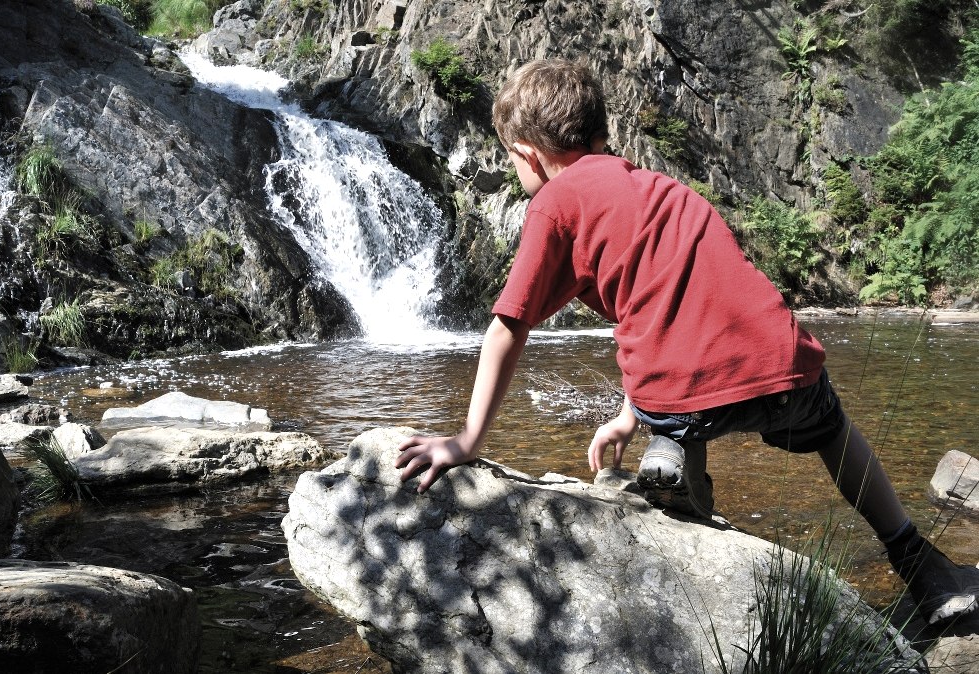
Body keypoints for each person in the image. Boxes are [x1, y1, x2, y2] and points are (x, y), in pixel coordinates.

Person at [395, 59, 978, 627]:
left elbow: (509, 325)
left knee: (677, 399)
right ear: (601, 135)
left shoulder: (554, 201)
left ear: (527, 154)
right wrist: (625, 417)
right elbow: (675, 305)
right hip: (785, 367)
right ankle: (919, 563)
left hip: (679, 397)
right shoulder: (661, 189)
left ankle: (672, 453)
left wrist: (467, 439)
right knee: (834, 433)